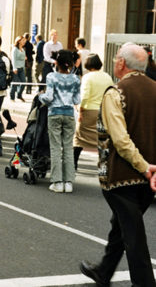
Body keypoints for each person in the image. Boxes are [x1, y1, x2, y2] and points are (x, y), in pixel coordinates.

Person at [80, 44, 156, 286]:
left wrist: (143, 165)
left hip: (120, 174)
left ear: (122, 63)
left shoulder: (116, 92)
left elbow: (120, 140)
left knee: (132, 232)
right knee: (122, 224)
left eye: (116, 60)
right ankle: (104, 271)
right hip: (149, 178)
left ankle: (144, 283)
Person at [39, 49, 81, 193]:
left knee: (56, 148)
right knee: (68, 148)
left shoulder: (51, 76)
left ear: (56, 62)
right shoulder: (75, 79)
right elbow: (77, 99)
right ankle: (68, 182)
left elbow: (49, 97)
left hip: (55, 114)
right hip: (69, 114)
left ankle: (57, 182)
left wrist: (40, 97)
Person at [73, 54, 113, 169]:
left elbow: (85, 96)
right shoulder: (107, 77)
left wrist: (80, 110)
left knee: (79, 138)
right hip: (103, 111)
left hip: (89, 110)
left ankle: (73, 163)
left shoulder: (87, 77)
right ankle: (104, 164)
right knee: (102, 139)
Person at [9, 36, 26, 102]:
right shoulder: (15, 49)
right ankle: (12, 97)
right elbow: (13, 59)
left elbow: (23, 60)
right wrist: (14, 68)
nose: (24, 41)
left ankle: (19, 95)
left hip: (21, 68)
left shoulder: (23, 49)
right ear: (19, 41)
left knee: (24, 82)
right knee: (15, 83)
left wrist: (23, 67)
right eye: (23, 40)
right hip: (16, 68)